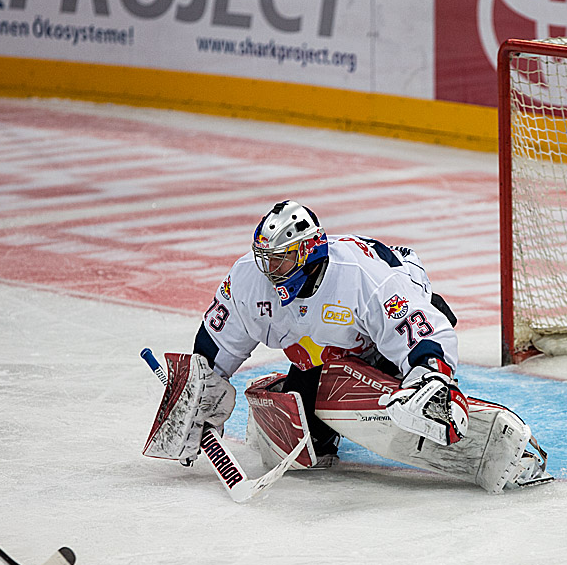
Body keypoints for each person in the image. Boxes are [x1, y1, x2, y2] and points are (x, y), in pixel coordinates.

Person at [180, 199, 464, 468]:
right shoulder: (247, 279)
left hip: (400, 299)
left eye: (281, 259)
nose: (270, 270)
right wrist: (198, 396)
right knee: (304, 447)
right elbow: (215, 346)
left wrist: (429, 375)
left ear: (308, 252)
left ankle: (416, 378)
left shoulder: (362, 277)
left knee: (410, 381)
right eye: (266, 258)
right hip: (328, 350)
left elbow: (419, 329)